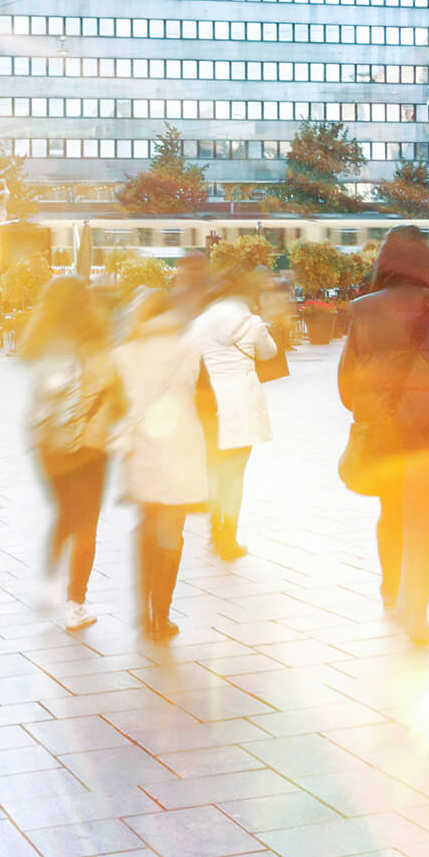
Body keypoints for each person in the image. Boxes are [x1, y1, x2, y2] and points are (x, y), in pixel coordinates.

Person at [339, 227, 429, 646]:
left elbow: (347, 384)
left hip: (385, 431)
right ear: (427, 263)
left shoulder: (363, 310)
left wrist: (369, 410)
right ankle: (417, 613)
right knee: (425, 520)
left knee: (391, 511)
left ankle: (390, 590)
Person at [21, 275, 125, 631]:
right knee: (86, 524)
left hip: (46, 446)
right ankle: (75, 604)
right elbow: (119, 398)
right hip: (88, 445)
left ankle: (47, 583)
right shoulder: (99, 345)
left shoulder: (39, 344)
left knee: (64, 513)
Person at [111, 287, 208, 641]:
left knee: (146, 530)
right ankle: (161, 616)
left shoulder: (122, 353)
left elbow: (116, 407)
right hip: (181, 452)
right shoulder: (189, 349)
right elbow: (207, 402)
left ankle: (143, 610)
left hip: (141, 452)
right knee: (170, 535)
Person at [191, 271, 278, 560]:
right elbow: (269, 353)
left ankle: (214, 529)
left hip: (209, 405)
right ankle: (228, 538)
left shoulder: (199, 322)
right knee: (235, 474)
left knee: (214, 469)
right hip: (240, 407)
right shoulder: (252, 323)